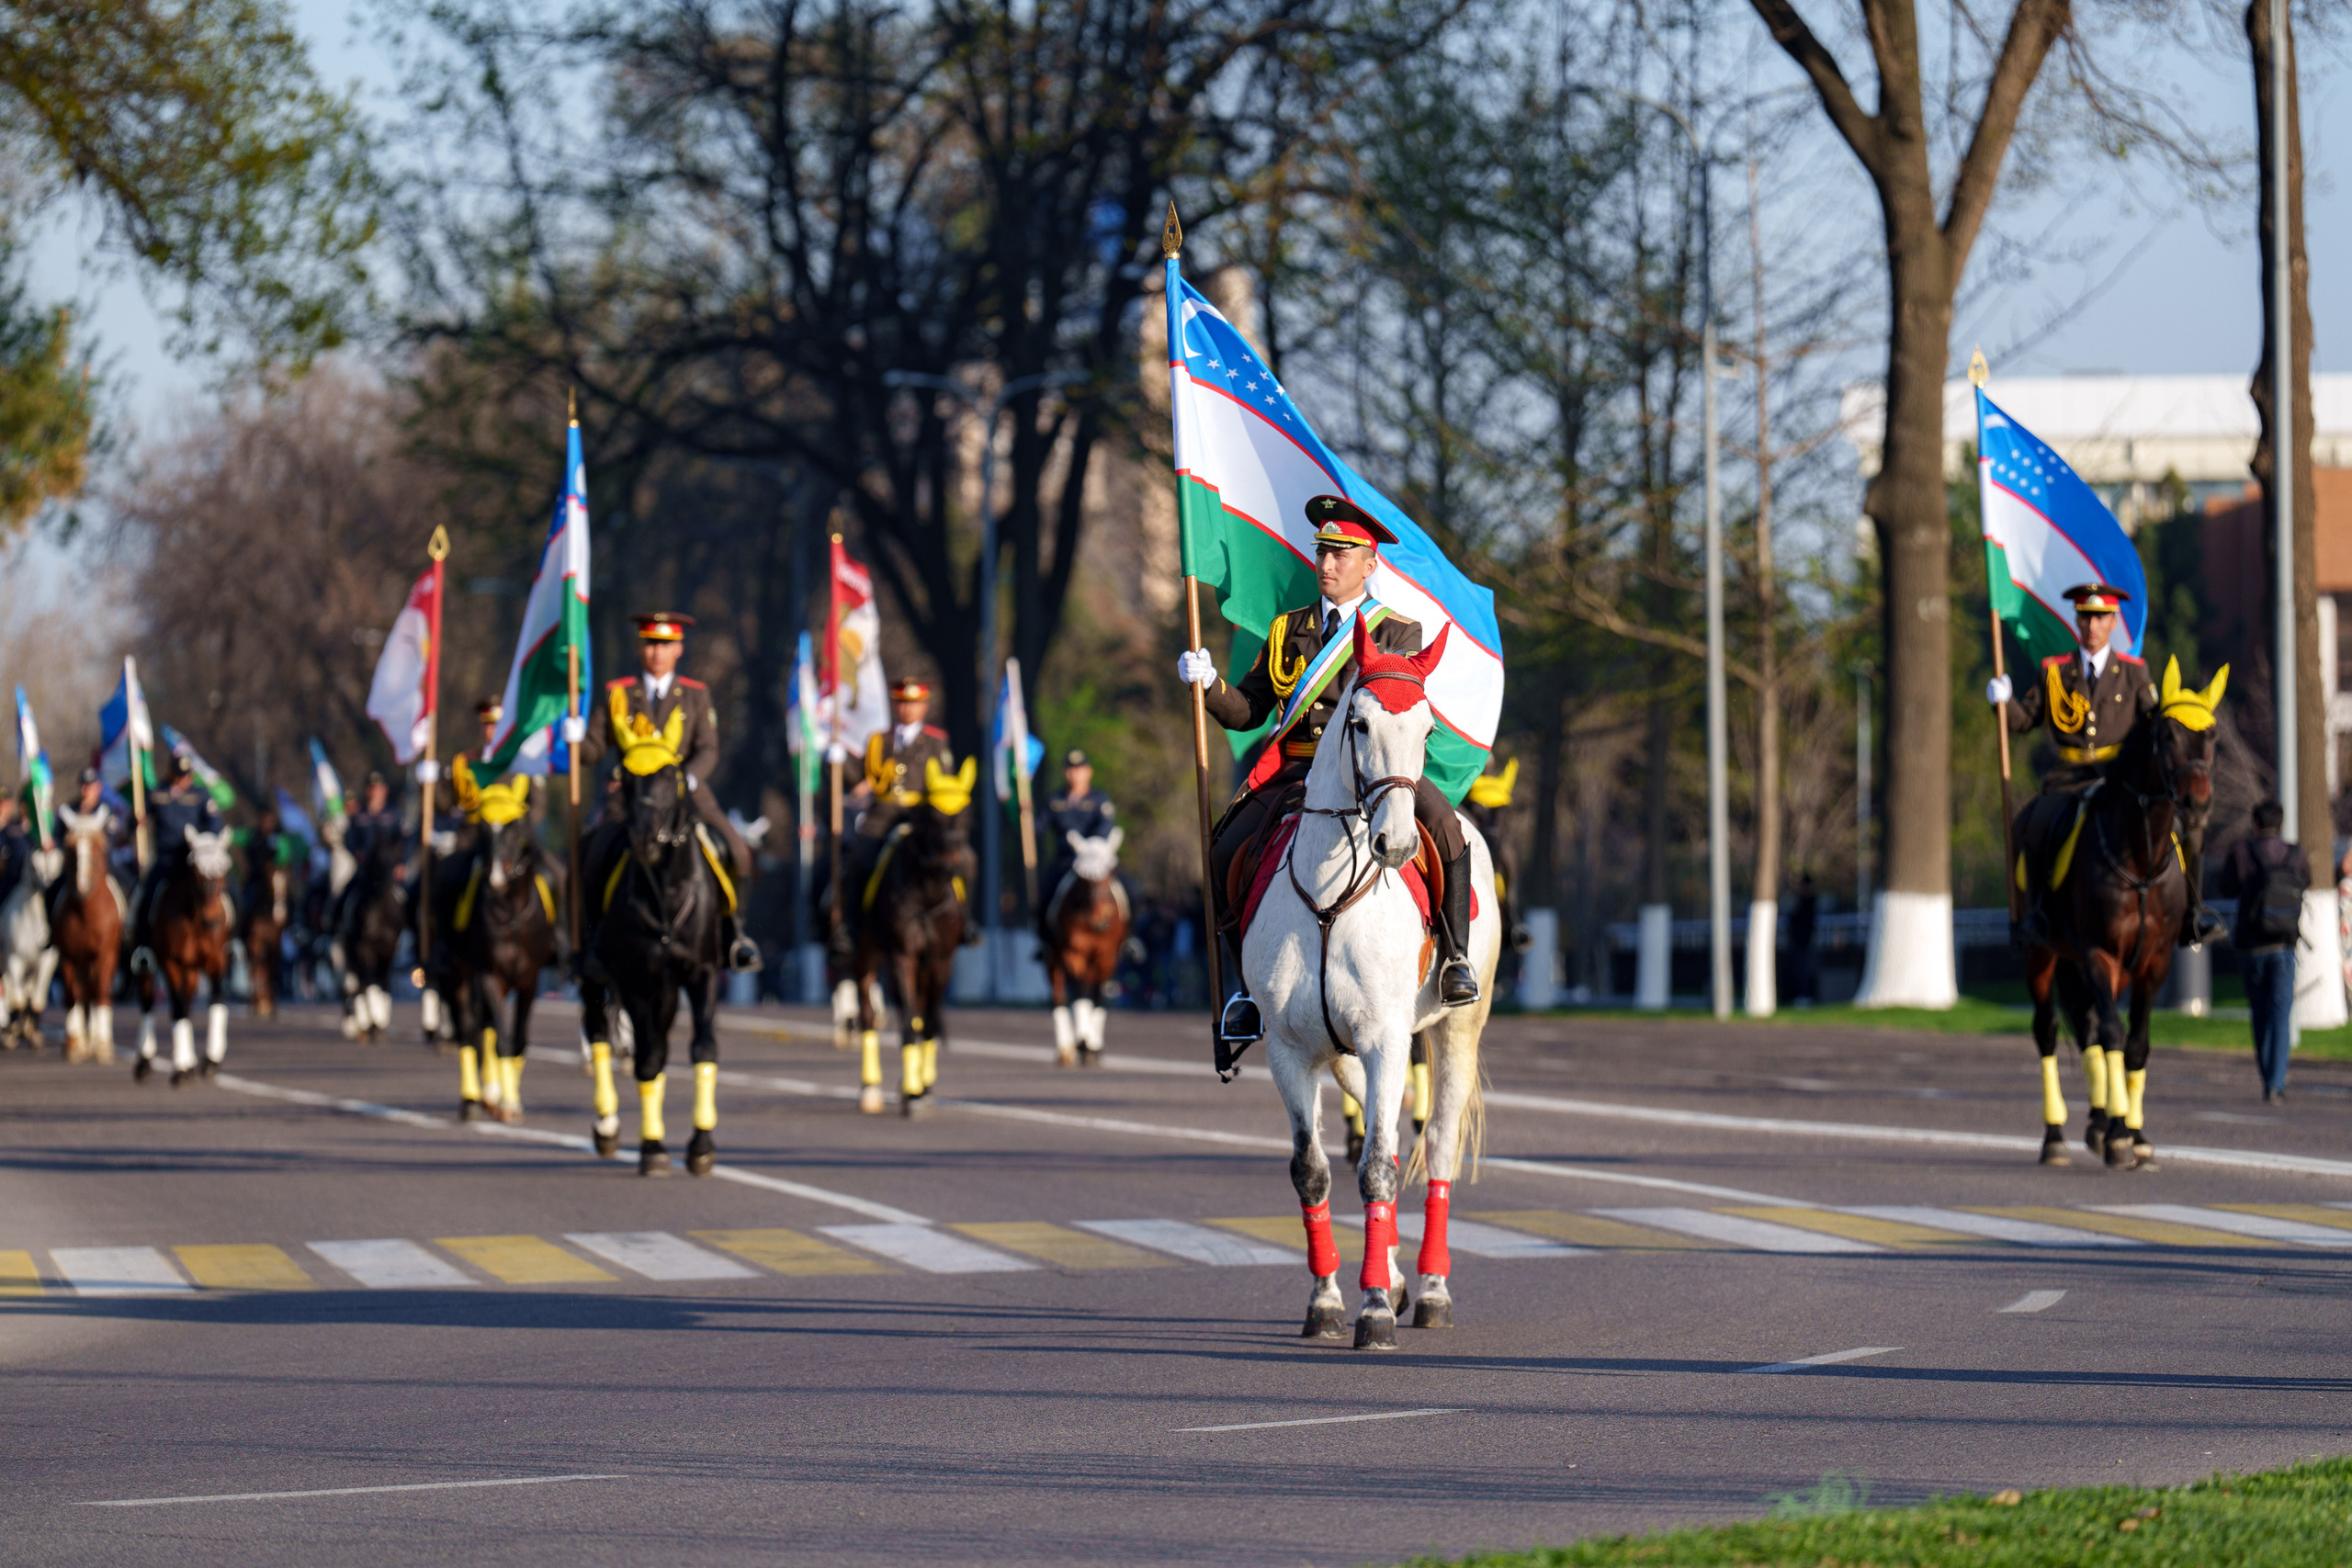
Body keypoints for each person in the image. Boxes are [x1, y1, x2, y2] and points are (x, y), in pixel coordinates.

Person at [1178, 493, 1477, 1047]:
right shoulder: (1286, 630)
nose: (1326, 564)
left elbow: (1395, 708)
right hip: (1297, 771)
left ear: (1369, 565)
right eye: (1322, 552)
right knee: (1223, 849)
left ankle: (1456, 958)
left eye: (1341, 554)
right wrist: (1209, 685)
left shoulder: (1397, 633)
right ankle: (1247, 992)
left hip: (1374, 769)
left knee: (1446, 829)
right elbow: (1249, 709)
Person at [1985, 581, 2225, 948]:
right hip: (2070, 778)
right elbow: (2024, 721)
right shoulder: (2054, 671)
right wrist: (2003, 702)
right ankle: (2037, 915)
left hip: (2120, 779)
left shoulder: (2134, 673)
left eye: (2100, 618)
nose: (2092, 626)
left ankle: (2193, 913)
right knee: (2036, 824)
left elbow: (2153, 725)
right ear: (2077, 622)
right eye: (2085, 618)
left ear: (2114, 622)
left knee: (2186, 830)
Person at [575, 612, 761, 973]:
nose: (656, 652)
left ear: (678, 648)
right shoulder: (619, 694)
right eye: (649, 644)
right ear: (640, 647)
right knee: (592, 855)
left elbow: (708, 748)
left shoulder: (695, 695)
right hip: (630, 800)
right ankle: (595, 940)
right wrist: (572, 737)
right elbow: (594, 748)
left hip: (685, 798)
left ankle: (732, 934)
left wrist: (687, 779)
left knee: (736, 851)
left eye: (664, 645)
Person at [828, 677, 978, 954]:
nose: (907, 709)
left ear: (924, 706)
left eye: (914, 703)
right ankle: (850, 927)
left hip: (922, 814)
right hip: (884, 811)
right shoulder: (879, 740)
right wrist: (838, 760)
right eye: (902, 703)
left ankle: (965, 921)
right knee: (859, 860)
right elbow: (862, 780)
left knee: (965, 861)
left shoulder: (936, 741)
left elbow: (943, 782)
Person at [2218, 799, 2306, 1103]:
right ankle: (2276, 1082)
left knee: (2260, 1013)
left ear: (2255, 824)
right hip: (2284, 946)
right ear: (2281, 824)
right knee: (2281, 1014)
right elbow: (2304, 884)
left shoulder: (2243, 852)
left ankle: (2267, 1075)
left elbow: (2226, 887)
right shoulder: (2295, 854)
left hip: (2252, 948)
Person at [127, 752, 224, 965]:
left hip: (195, 862)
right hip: (166, 860)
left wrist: (206, 842)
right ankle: (143, 949)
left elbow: (216, 824)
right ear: (170, 773)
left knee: (226, 891)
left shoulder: (200, 795)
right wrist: (135, 820)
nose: (182, 781)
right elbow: (134, 821)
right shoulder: (156, 793)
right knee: (146, 898)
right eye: (178, 776)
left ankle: (232, 944)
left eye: (186, 776)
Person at [1035, 748, 1116, 942]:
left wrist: (1088, 848)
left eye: (1079, 769)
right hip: (1066, 861)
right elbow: (1038, 828)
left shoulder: (1099, 799)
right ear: (1065, 772)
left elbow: (1105, 827)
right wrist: (1026, 816)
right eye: (1070, 769)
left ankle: (1129, 939)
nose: (1075, 774)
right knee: (1044, 894)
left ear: (1088, 772)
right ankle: (1046, 942)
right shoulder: (1054, 800)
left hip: (1096, 861)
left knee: (1132, 891)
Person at [1785, 874, 1819, 1006]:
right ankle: (1800, 994)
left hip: (1805, 941)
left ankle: (1805, 995)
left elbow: (1800, 919)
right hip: (1798, 941)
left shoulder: (1809, 901)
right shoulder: (1801, 900)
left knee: (1804, 968)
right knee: (1798, 968)